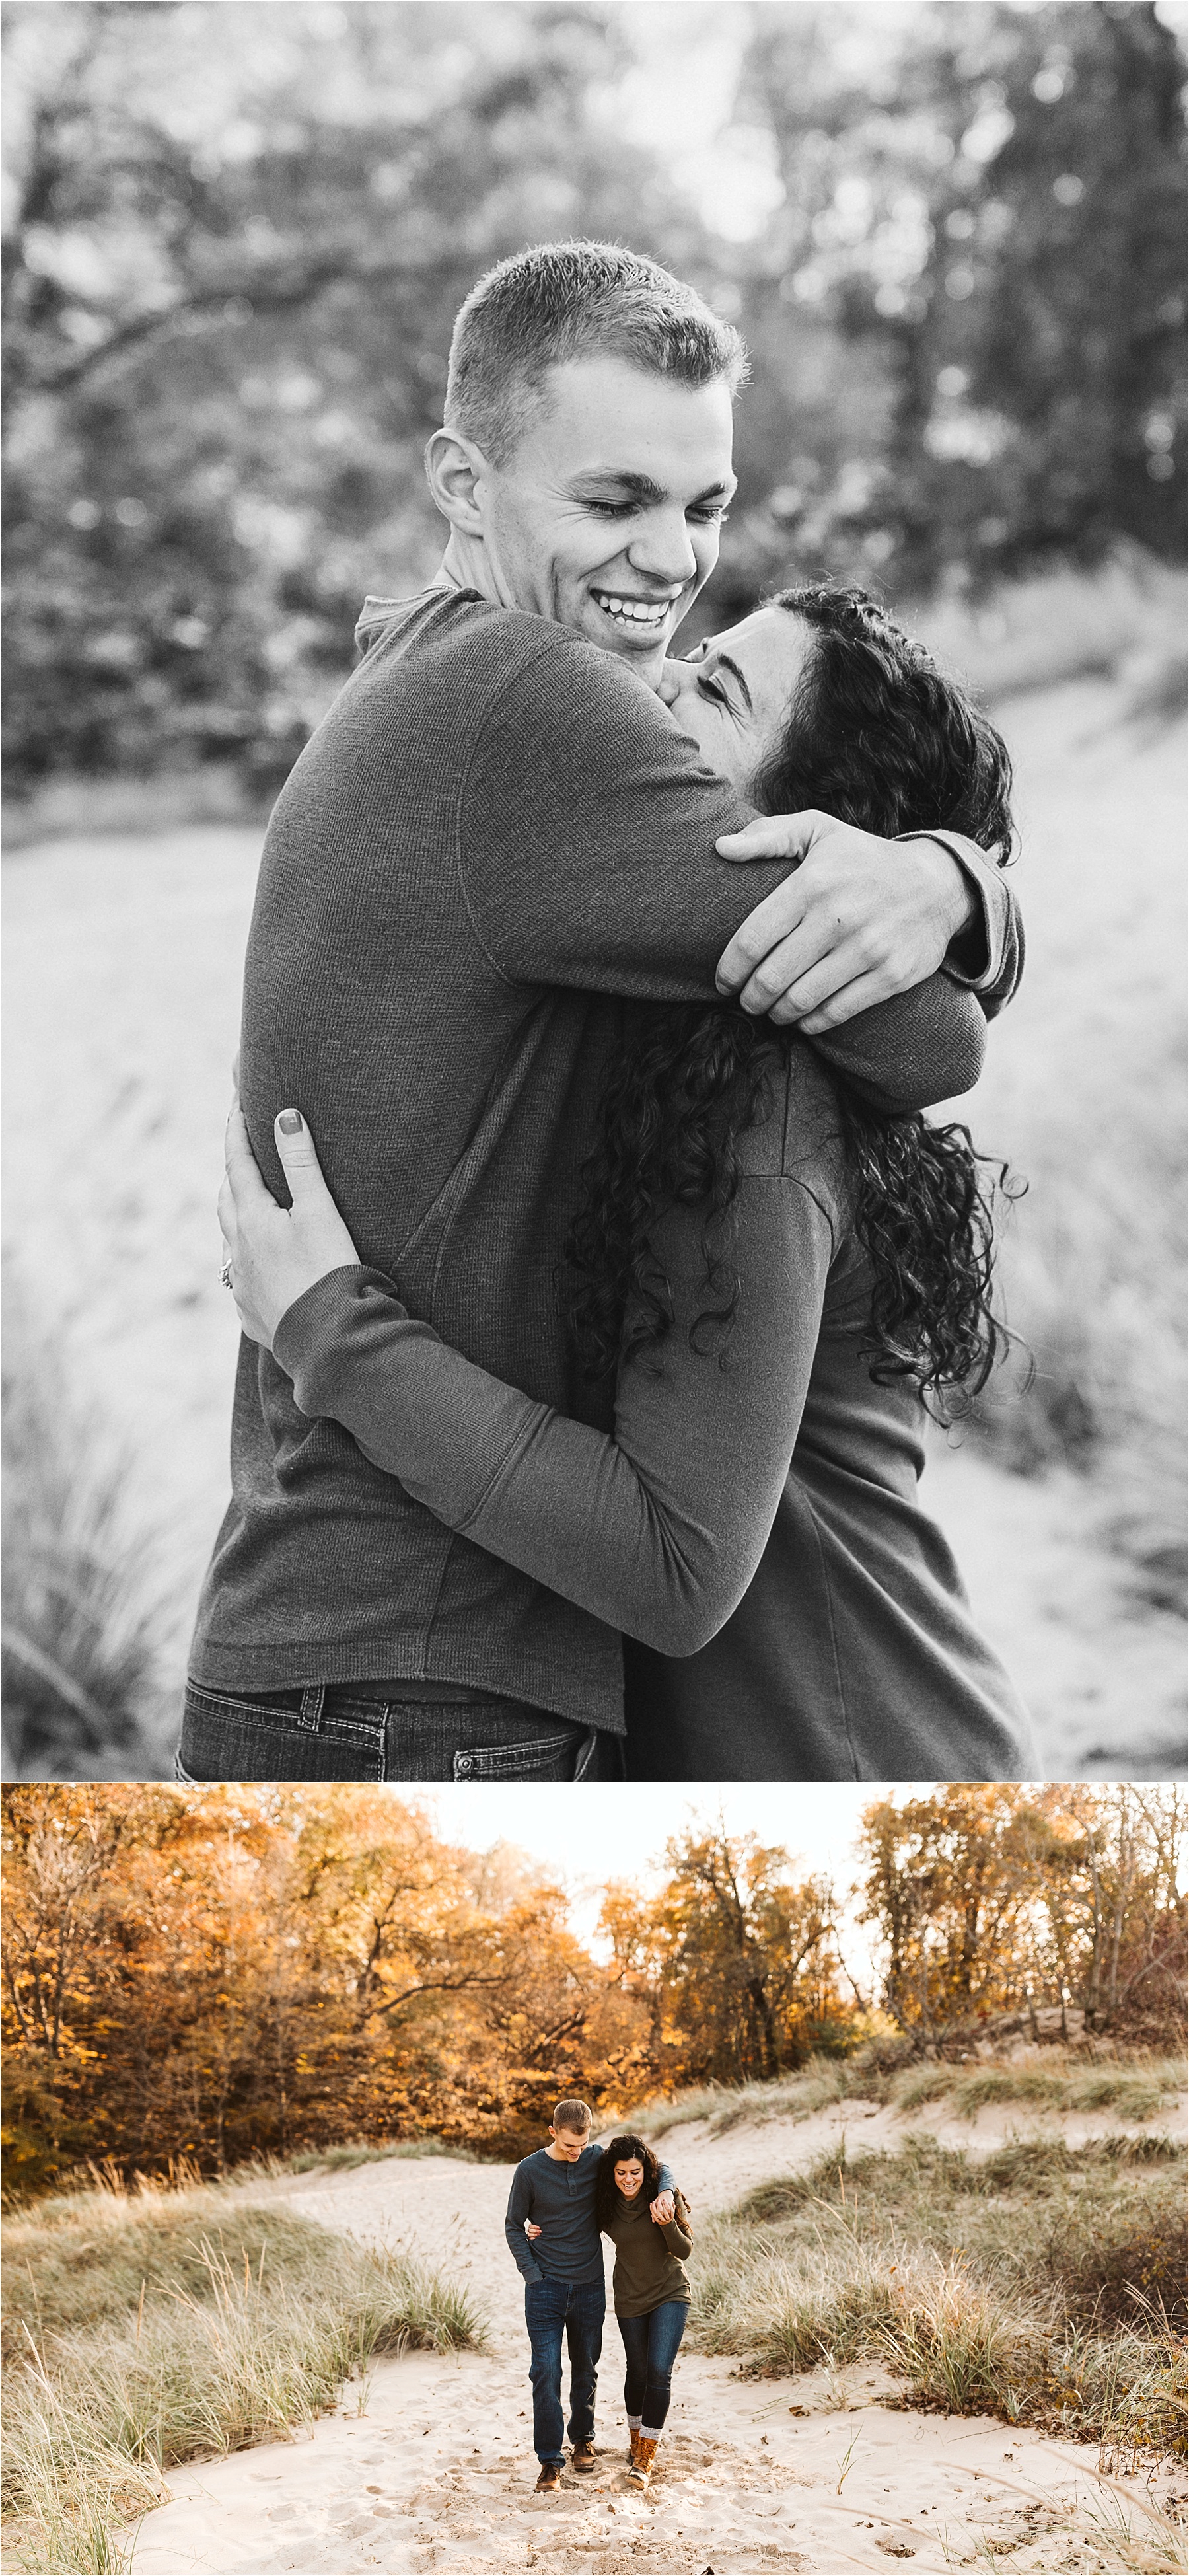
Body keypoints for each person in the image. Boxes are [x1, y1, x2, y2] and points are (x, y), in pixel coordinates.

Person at [186, 239, 1024, 1786]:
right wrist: (960, 890)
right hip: (420, 1672)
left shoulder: (416, 674)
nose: (671, 565)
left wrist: (946, 878)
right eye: (613, 501)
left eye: (702, 506)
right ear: (464, 477)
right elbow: (928, 1041)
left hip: (362, 1656)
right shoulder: (527, 701)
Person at [503, 2098, 676, 2489]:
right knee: (545, 2371)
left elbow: (656, 2166)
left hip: (589, 2286)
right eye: (568, 2146)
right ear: (552, 2132)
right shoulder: (529, 2171)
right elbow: (514, 2225)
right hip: (544, 2288)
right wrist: (532, 2273)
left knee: (586, 2368)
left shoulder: (596, 2158)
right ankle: (550, 2460)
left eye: (582, 2145)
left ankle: (583, 2438)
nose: (576, 2153)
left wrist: (665, 2191)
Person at [591, 2133, 692, 2487]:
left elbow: (684, 2251)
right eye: (621, 2173)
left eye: (635, 2172)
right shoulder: (604, 2204)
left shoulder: (662, 2196)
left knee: (658, 2371)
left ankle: (646, 2457)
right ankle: (636, 2442)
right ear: (612, 2174)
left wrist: (666, 2219)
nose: (628, 2179)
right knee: (636, 2371)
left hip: (670, 2292)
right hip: (630, 2297)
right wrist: (536, 2229)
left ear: (645, 2171)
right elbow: (570, 2220)